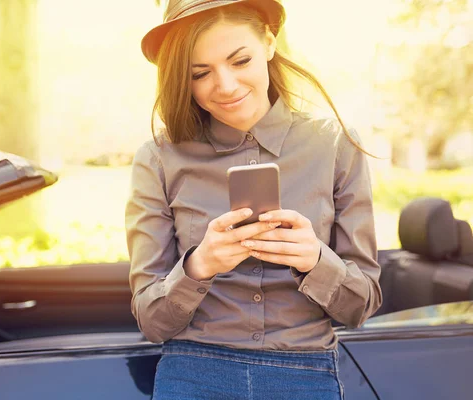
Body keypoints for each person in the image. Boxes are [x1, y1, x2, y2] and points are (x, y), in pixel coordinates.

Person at [125, 0, 382, 398]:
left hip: (306, 373)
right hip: (193, 371)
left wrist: (314, 259)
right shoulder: (158, 158)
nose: (225, 85)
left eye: (240, 61)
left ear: (268, 42)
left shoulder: (335, 145)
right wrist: (198, 265)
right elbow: (151, 321)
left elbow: (361, 306)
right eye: (200, 73)